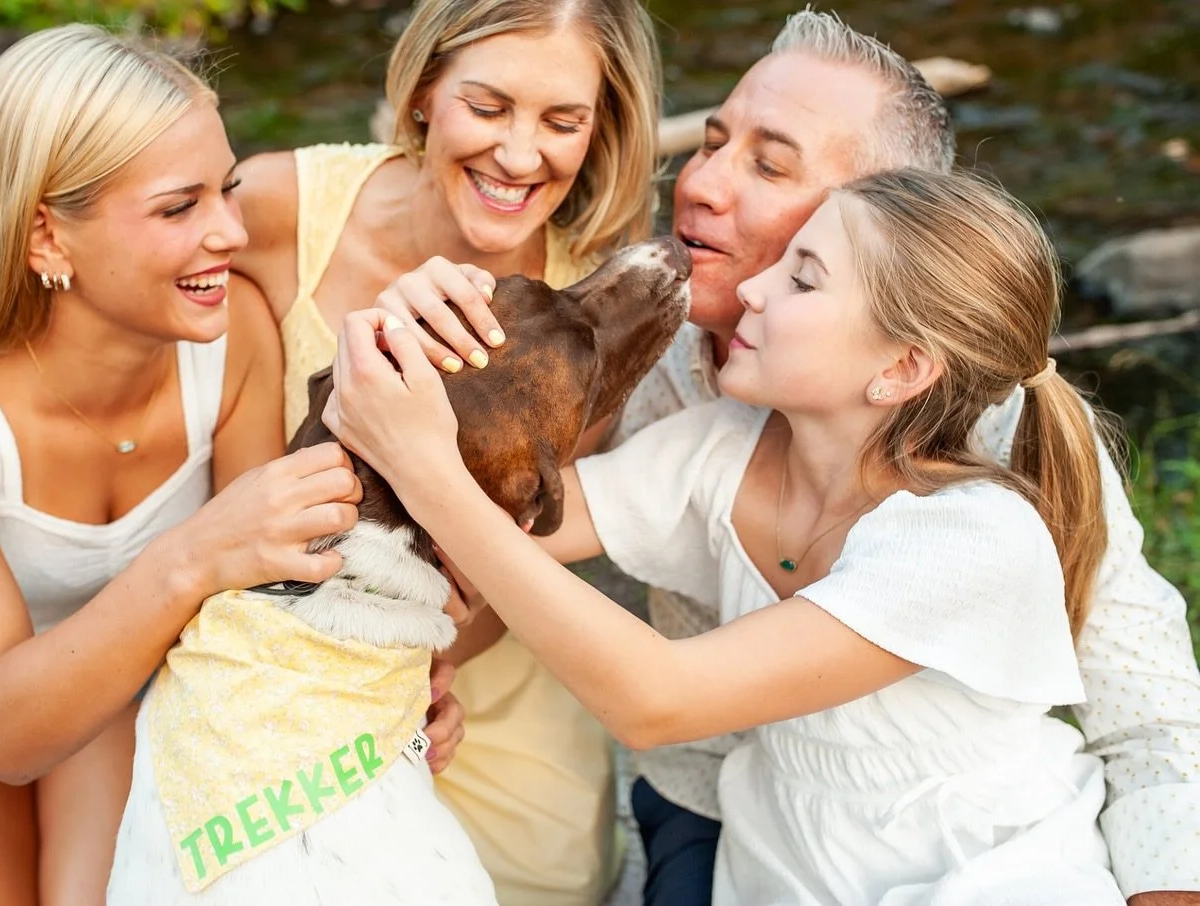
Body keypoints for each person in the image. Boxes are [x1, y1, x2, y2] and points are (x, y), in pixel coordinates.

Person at [370, 10, 1200, 905]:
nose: (700, 186)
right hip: (740, 813)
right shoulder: (681, 396)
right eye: (714, 140)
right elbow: (494, 525)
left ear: (900, 227)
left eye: (769, 166)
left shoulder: (997, 449)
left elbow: (1151, 719)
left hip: (962, 863)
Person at [0, 25, 462, 905]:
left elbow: (262, 604)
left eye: (230, 190)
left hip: (147, 659)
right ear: (48, 237)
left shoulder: (237, 332)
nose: (232, 232)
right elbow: (3, 733)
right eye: (180, 208)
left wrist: (393, 678)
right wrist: (198, 550)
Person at [230, 1, 663, 902]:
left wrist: (431, 672)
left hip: (476, 681)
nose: (519, 155)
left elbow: (523, 550)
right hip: (272, 674)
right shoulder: (277, 211)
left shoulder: (585, 312)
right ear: (426, 88)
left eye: (562, 121)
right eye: (489, 106)